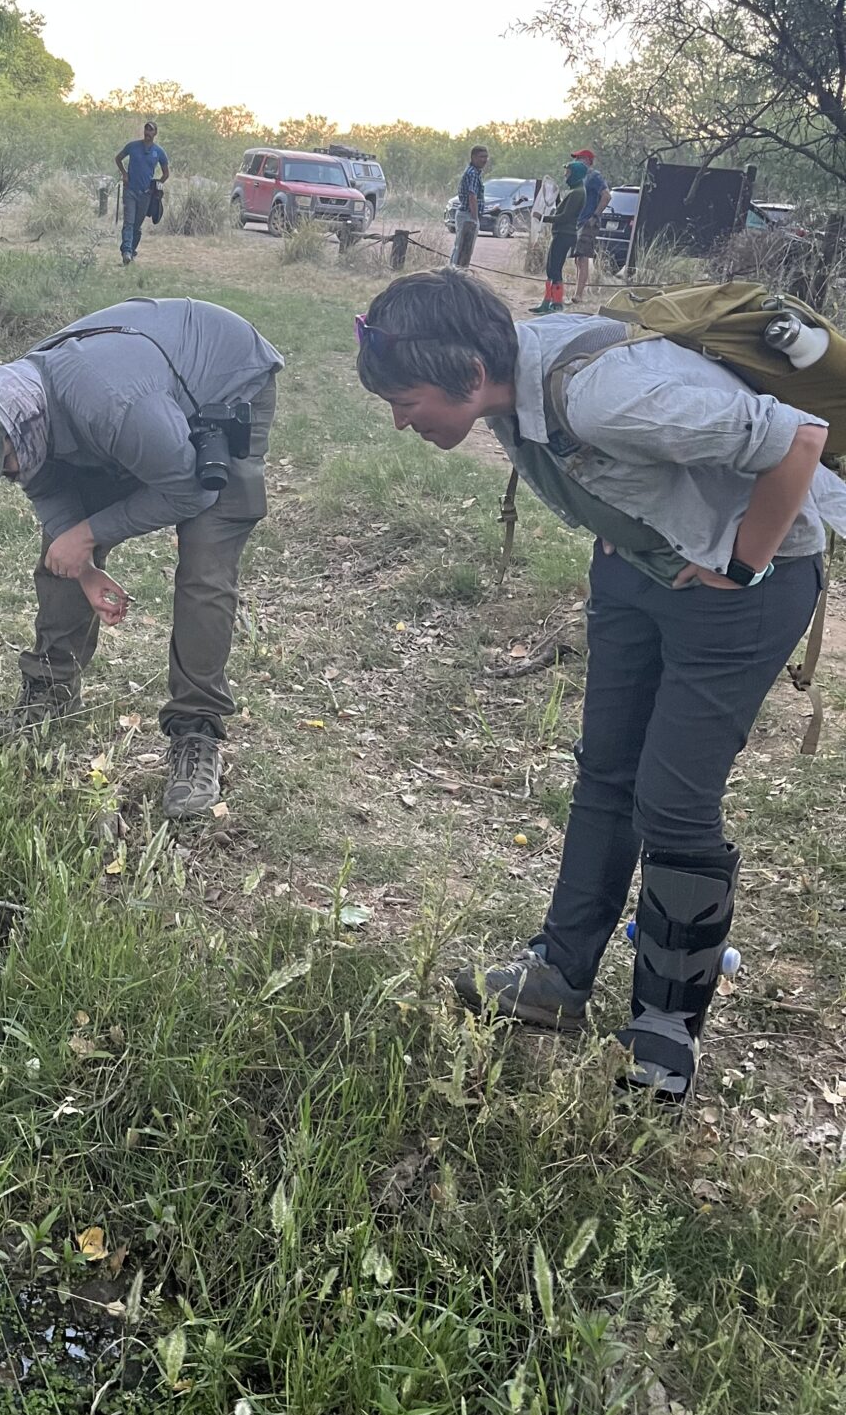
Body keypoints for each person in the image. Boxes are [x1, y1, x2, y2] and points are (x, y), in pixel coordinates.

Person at [354, 267, 841, 1103]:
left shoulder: (605, 396)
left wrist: (741, 565)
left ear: (470, 372)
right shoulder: (511, 386)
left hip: (746, 585)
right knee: (605, 773)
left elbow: (798, 437)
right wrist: (619, 533)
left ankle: (663, 1034)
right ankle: (558, 977)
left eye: (408, 399)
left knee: (674, 802)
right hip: (639, 570)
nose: (403, 420)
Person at [0, 296, 283, 818]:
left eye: (4, 461)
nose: (7, 474)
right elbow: (47, 490)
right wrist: (83, 562)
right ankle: (49, 691)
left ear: (25, 428)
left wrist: (94, 530)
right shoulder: (24, 400)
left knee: (204, 569)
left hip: (224, 384)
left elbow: (192, 492)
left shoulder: (111, 406)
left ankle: (196, 733)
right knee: (61, 550)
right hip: (140, 405)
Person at [114, 121, 169, 264]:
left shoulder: (159, 152)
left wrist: (157, 185)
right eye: (146, 129)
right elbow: (118, 158)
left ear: (155, 133)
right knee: (129, 222)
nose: (148, 133)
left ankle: (131, 251)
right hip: (130, 190)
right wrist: (124, 174)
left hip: (146, 193)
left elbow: (166, 173)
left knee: (137, 226)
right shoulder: (132, 146)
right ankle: (126, 251)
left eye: (151, 130)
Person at [534, 159, 586, 312]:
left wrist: (543, 218)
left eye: (568, 173)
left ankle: (556, 303)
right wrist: (556, 198)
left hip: (564, 234)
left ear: (575, 174)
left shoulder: (578, 193)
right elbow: (562, 210)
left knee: (555, 269)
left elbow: (565, 217)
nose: (565, 176)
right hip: (563, 233)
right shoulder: (575, 192)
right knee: (551, 268)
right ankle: (547, 301)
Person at [570, 148, 608, 305]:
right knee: (578, 258)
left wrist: (595, 216)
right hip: (579, 221)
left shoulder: (594, 176)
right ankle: (577, 292)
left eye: (578, 158)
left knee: (583, 257)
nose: (575, 161)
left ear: (586, 160)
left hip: (588, 221)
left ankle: (579, 294)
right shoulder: (580, 178)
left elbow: (606, 196)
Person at [452, 145, 488, 268]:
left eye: (486, 157)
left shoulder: (475, 173)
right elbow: (472, 196)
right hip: (467, 215)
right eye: (481, 157)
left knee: (461, 248)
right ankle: (457, 273)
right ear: (473, 157)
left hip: (467, 214)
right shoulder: (472, 173)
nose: (484, 160)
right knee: (463, 248)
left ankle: (457, 271)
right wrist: (474, 218)